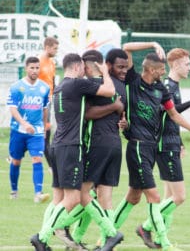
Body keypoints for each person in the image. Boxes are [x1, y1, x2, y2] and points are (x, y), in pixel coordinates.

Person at [112, 42, 190, 251]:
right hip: (136, 146)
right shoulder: (134, 81)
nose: (164, 73)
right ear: (151, 70)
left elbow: (173, 114)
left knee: (133, 197)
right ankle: (163, 242)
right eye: (161, 69)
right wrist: (152, 44)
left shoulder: (161, 90)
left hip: (151, 148)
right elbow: (126, 47)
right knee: (155, 196)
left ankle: (107, 235)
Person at [30, 53, 123, 251]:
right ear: (78, 66)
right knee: (74, 198)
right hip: (72, 147)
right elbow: (109, 90)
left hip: (56, 145)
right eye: (83, 67)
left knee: (58, 199)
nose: (85, 71)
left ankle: (44, 239)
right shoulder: (77, 84)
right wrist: (105, 73)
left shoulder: (60, 87)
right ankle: (43, 236)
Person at [136, 47, 190, 249]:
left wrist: (180, 143)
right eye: (187, 64)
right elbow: (167, 112)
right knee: (179, 197)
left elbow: (170, 119)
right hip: (164, 146)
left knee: (168, 197)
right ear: (175, 64)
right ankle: (146, 227)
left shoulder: (173, 85)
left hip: (171, 144)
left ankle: (161, 240)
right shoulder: (167, 85)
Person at [69, 49, 128, 250]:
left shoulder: (93, 85)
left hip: (97, 144)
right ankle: (102, 242)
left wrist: (117, 111)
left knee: (84, 194)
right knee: (104, 197)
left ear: (91, 65)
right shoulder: (120, 86)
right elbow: (122, 112)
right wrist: (121, 116)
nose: (82, 70)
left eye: (84, 66)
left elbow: (88, 114)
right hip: (114, 145)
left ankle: (57, 230)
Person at [7, 56, 50, 203]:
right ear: (26, 68)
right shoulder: (16, 87)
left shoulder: (44, 88)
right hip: (18, 131)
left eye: (37, 67)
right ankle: (14, 190)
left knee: (37, 159)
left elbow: (45, 109)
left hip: (36, 132)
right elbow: (13, 109)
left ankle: (38, 193)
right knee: (16, 161)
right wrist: (24, 124)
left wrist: (44, 127)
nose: (35, 70)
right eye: (32, 67)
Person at [38, 37, 59, 170]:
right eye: (55, 48)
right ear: (47, 47)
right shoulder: (38, 62)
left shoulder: (52, 62)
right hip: (39, 103)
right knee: (43, 132)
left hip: (49, 101)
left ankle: (15, 154)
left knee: (45, 131)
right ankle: (52, 166)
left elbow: (52, 82)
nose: (56, 51)